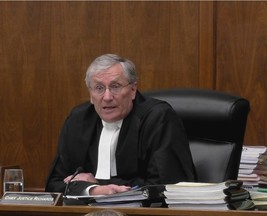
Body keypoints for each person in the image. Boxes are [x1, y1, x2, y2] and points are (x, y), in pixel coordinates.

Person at [45, 54, 197, 196]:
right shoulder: (78, 120)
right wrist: (93, 190)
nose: (107, 97)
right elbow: (54, 185)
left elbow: (166, 187)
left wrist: (97, 185)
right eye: (99, 88)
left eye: (115, 86)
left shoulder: (158, 118)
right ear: (90, 94)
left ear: (133, 90)